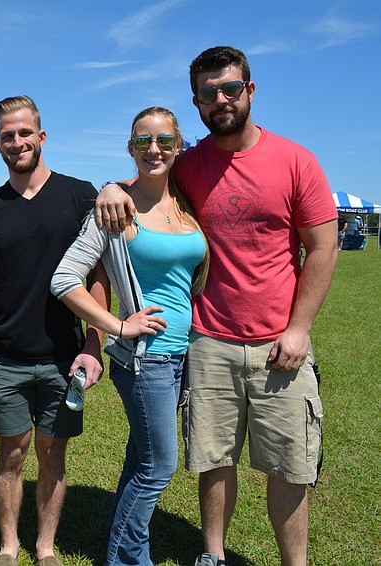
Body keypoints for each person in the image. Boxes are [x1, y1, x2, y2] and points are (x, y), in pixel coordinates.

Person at [96, 46, 337, 566]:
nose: (221, 99)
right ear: (197, 102)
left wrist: (299, 328)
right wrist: (110, 188)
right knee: (213, 458)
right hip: (207, 341)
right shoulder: (191, 164)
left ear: (250, 91)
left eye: (230, 88)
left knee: (290, 466)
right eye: (209, 93)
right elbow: (146, 183)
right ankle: (213, 555)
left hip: (281, 343)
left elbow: (324, 246)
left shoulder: (296, 160)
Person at [52, 107, 209, 565]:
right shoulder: (116, 207)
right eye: (143, 141)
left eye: (163, 141)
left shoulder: (185, 202)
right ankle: (125, 557)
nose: (153, 149)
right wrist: (118, 326)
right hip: (147, 359)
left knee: (141, 458)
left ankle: (123, 550)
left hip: (184, 353)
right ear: (130, 148)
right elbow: (65, 279)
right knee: (159, 467)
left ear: (179, 146)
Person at [0, 95, 106, 566]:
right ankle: (8, 545)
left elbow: (98, 275)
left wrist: (94, 342)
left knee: (52, 453)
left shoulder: (80, 196)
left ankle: (45, 546)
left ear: (41, 136)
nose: (16, 142)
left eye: (24, 133)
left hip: (65, 356)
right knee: (13, 452)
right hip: (7, 355)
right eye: (7, 136)